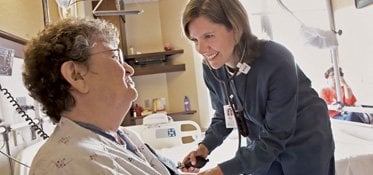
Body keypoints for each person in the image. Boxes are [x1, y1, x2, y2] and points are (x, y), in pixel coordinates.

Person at [180, 0, 335, 174]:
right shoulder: (211, 69)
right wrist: (204, 147)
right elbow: (225, 115)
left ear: (235, 28)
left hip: (304, 140)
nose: (201, 48)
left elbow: (277, 135)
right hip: (262, 143)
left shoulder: (276, 60)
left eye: (209, 36)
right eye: (195, 39)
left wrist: (223, 170)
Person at [22, 18, 177, 175]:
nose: (130, 69)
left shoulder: (125, 136)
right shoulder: (67, 165)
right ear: (76, 75)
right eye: (115, 57)